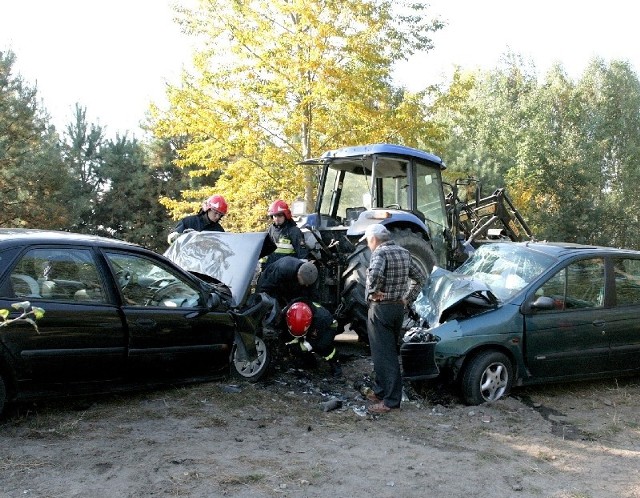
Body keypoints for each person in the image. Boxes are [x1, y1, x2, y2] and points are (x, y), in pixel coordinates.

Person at [363, 224, 426, 414]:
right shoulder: (404, 253)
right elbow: (421, 277)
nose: (368, 244)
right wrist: (408, 297)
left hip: (381, 309)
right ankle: (381, 391)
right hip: (398, 308)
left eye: (368, 240)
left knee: (384, 356)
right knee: (388, 350)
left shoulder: (380, 253)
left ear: (374, 239)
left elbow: (374, 274)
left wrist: (372, 292)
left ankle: (390, 401)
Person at [284, 300, 343, 378]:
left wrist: (296, 348)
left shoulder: (321, 319)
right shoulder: (288, 311)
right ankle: (310, 362)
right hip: (310, 325)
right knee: (297, 344)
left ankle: (335, 363)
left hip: (329, 326)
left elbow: (311, 343)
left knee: (321, 346)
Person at [263, 199, 308, 266]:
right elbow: (266, 250)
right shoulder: (271, 229)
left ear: (286, 215)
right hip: (272, 267)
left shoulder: (294, 231)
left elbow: (302, 254)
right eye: (275, 216)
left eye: (280, 215)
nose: (277, 218)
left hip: (287, 269)